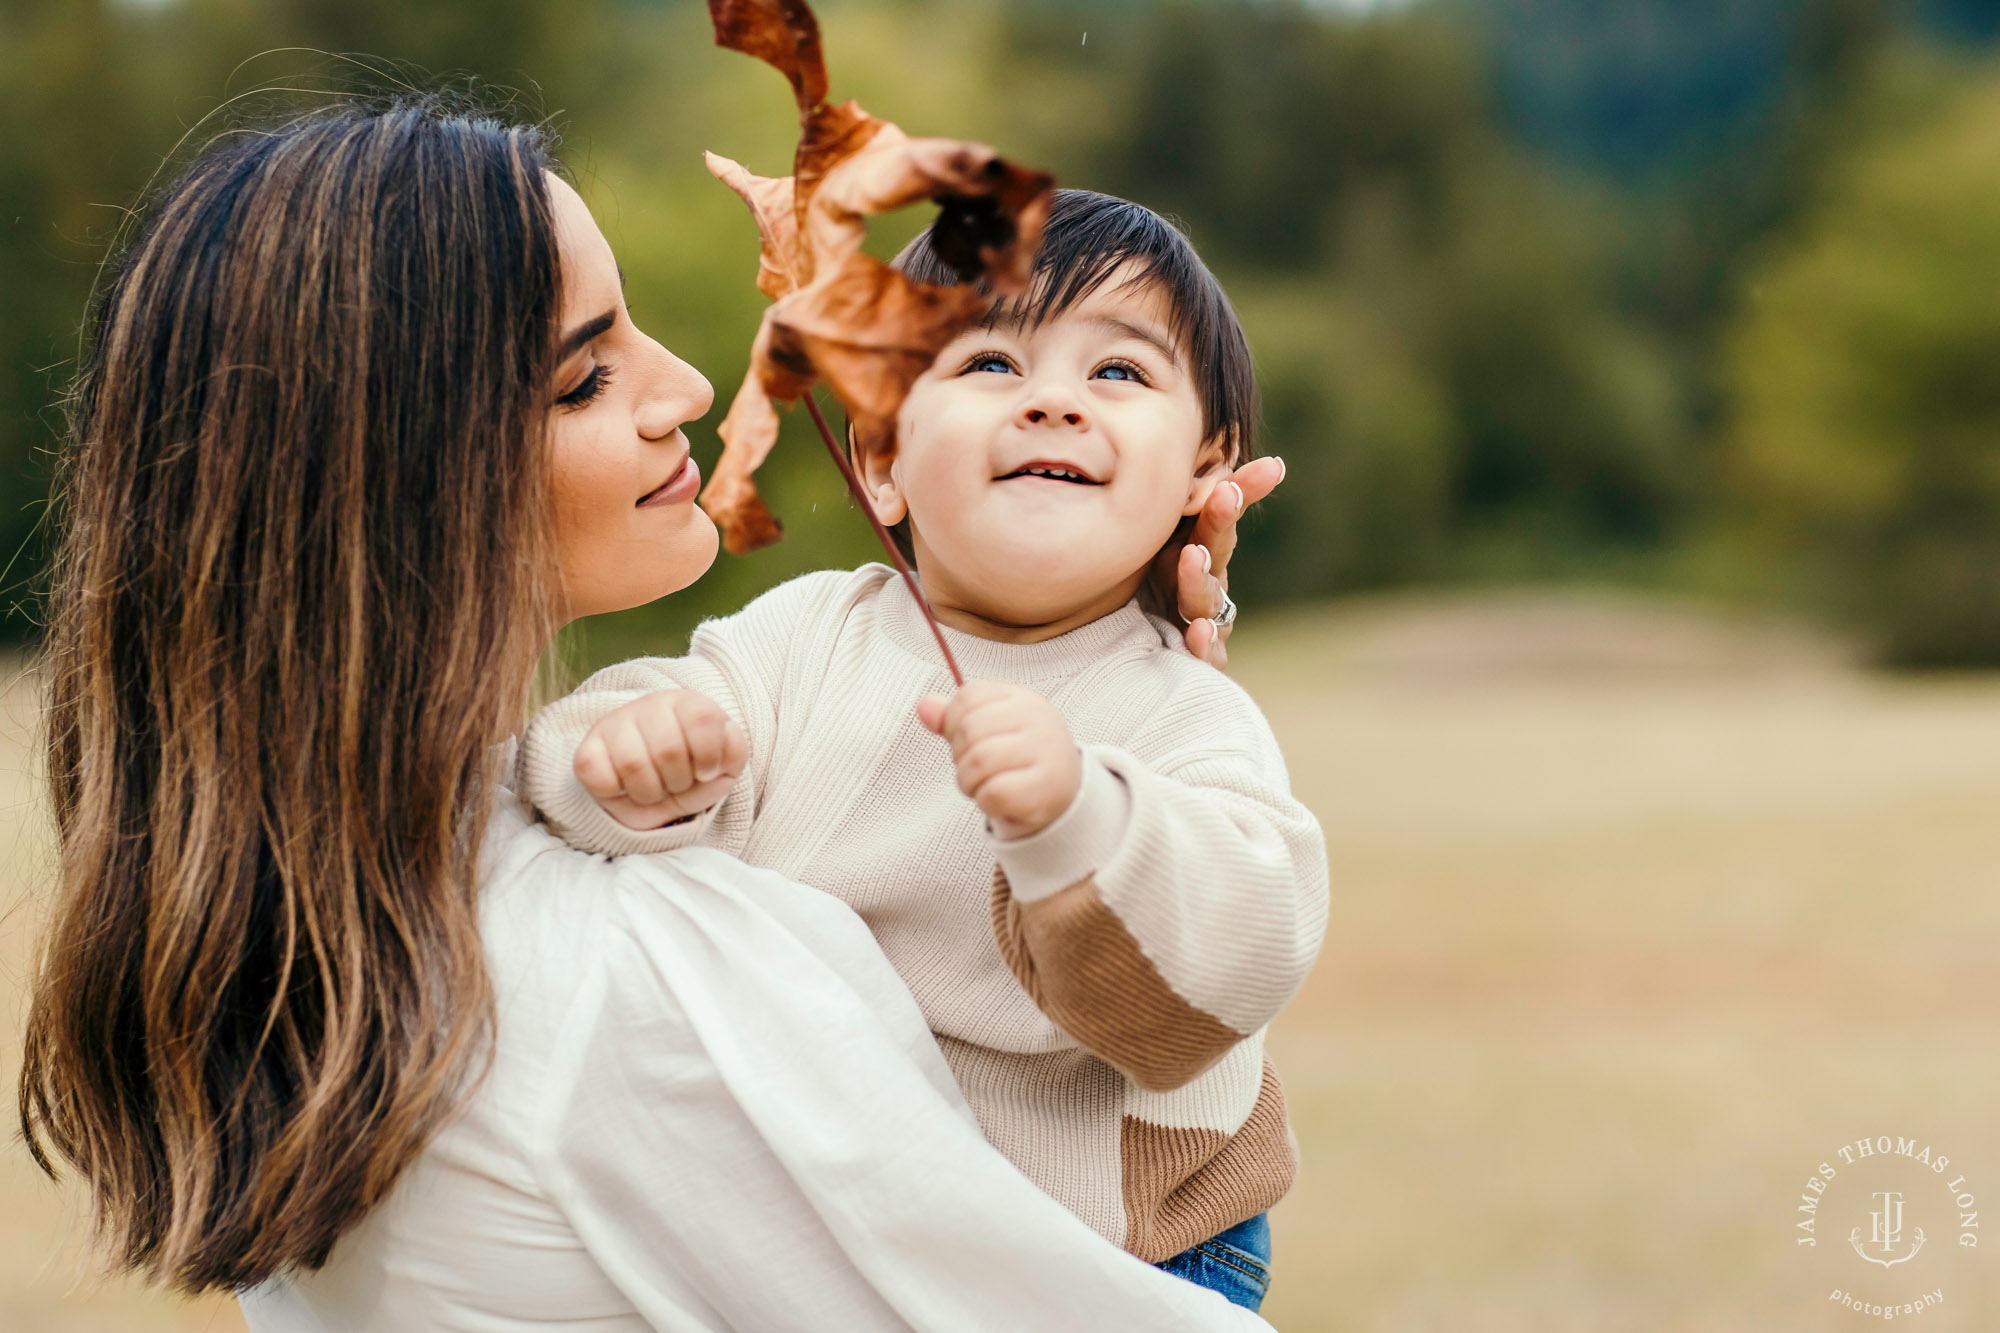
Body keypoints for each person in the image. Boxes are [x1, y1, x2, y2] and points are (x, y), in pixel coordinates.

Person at [15, 100, 1279, 1330]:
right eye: (583, 377)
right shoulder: (617, 988)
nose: (682, 384)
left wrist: (1124, 746)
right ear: (409, 484)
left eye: (1118, 372)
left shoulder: (314, 932)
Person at [516, 190, 1329, 1313]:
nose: (1052, 402)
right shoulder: (806, 635)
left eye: (1119, 374)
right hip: (845, 1228)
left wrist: (1077, 819)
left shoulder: (1179, 712)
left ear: (1204, 471)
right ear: (884, 454)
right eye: (991, 362)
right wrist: (618, 756)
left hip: (1105, 1249)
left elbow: (1227, 968)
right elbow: (646, 716)